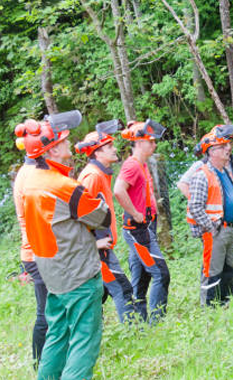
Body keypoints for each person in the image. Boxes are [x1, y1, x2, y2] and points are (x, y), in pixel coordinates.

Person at [14, 110, 111, 380]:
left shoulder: (29, 179)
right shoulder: (64, 186)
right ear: (53, 150)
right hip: (78, 273)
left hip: (52, 271)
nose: (71, 142)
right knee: (84, 341)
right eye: (65, 140)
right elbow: (101, 216)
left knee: (57, 335)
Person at [76, 120, 138, 323]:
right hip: (97, 250)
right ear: (96, 153)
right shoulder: (92, 177)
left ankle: (94, 331)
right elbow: (77, 215)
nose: (114, 149)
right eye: (109, 147)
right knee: (123, 289)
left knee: (98, 295)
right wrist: (94, 243)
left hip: (102, 247)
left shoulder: (101, 174)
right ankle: (134, 334)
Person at [178, 125, 233, 295]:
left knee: (229, 266)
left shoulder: (230, 167)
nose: (228, 147)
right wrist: (210, 224)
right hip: (215, 228)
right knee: (212, 268)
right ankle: (210, 306)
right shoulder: (202, 169)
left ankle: (229, 298)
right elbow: (192, 200)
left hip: (232, 226)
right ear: (211, 151)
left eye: (228, 143)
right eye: (223, 145)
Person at [114, 119, 170, 323]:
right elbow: (119, 190)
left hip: (146, 226)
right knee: (160, 273)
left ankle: (139, 320)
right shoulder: (132, 165)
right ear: (139, 142)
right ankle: (157, 322)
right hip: (138, 229)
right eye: (151, 141)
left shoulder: (142, 164)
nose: (154, 145)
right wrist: (135, 213)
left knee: (142, 275)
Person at [11, 143, 46, 368]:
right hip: (37, 253)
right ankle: (39, 363)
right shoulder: (32, 174)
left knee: (50, 309)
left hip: (37, 251)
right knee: (46, 312)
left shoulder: (27, 171)